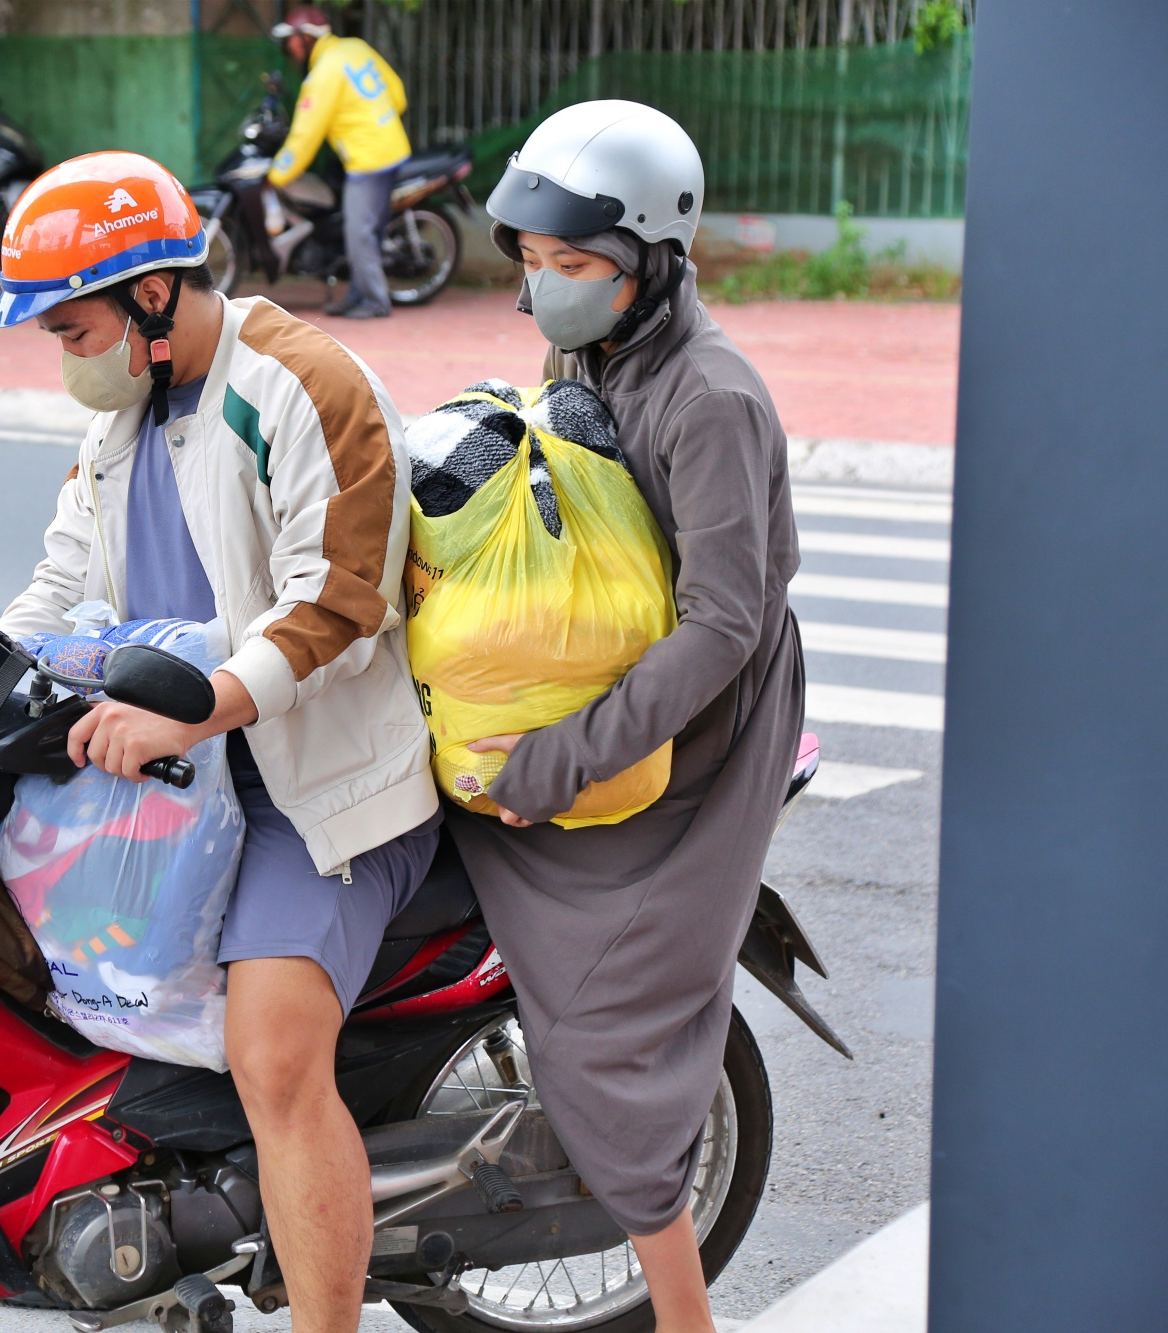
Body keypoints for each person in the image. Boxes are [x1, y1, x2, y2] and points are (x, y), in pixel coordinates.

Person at [0, 151, 442, 1333]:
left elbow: (339, 602)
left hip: (313, 792)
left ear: (150, 294)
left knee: (274, 1058)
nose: (63, 356)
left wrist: (194, 707)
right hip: (173, 789)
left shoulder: (302, 382)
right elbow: (56, 585)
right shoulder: (118, 419)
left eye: (70, 328)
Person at [449, 100, 803, 1333]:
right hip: (605, 672)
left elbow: (721, 623)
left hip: (696, 724)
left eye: (573, 263)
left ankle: (680, 1313)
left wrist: (560, 758)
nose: (542, 285)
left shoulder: (710, 399)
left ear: (648, 261)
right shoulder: (589, 354)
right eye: (531, 260)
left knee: (608, 1025)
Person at [268, 6, 409, 320]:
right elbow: (398, 95)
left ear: (306, 38)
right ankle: (357, 295)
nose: (289, 48)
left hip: (368, 160)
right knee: (369, 230)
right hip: (391, 148)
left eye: (291, 40)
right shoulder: (354, 47)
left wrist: (276, 175)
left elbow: (304, 137)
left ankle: (375, 301)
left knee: (359, 234)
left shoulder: (323, 75)